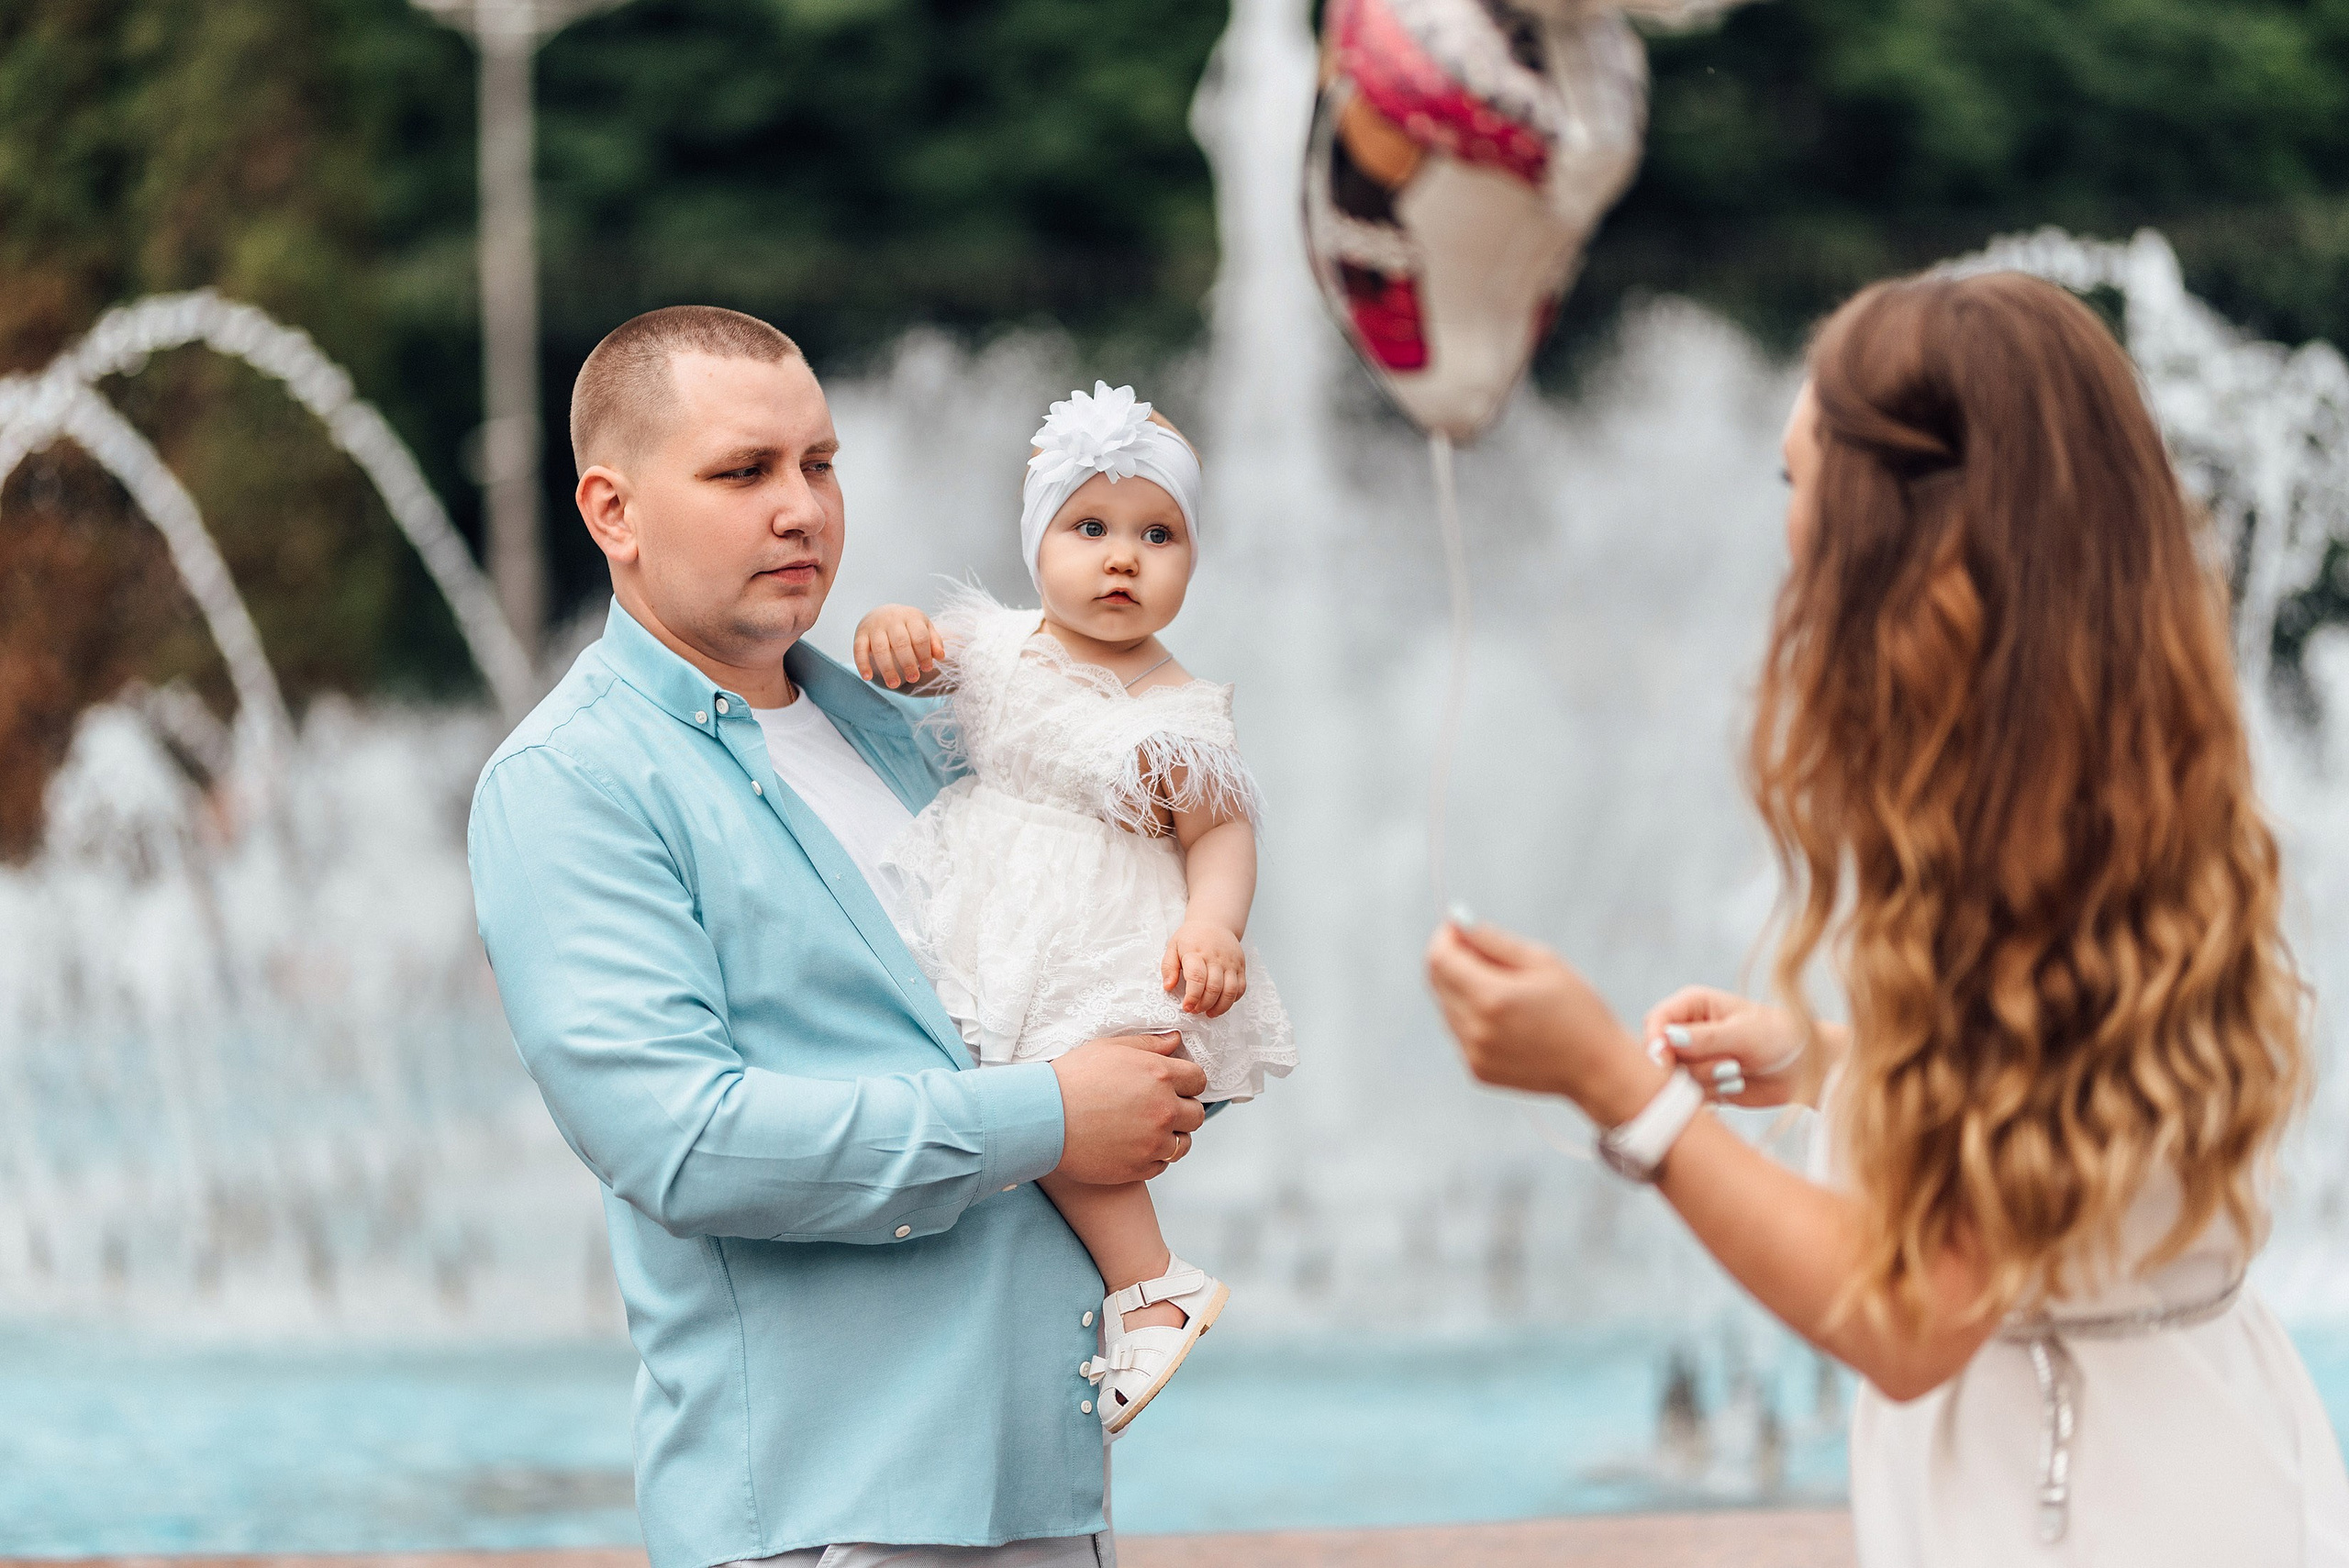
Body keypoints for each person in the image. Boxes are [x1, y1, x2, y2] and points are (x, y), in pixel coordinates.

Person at [1425, 271, 2349, 1565]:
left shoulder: (2028, 839)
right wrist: (1839, 1066)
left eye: (1803, 484)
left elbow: (1914, 1316)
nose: (1791, 529)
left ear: (1905, 537)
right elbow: (2075, 1119)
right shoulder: (2106, 774)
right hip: (2188, 1461)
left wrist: (1616, 1089)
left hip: (2097, 1510)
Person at [468, 307, 1210, 1568]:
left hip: (1043, 1493)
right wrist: (1051, 1115)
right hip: (821, 1522)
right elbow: (686, 1142)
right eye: (743, 472)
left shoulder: (916, 731)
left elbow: (1083, 1002)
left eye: (820, 463)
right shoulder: (571, 782)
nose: (802, 508)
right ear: (613, 511)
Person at [851, 382, 1296, 1436]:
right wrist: (888, 626)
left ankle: (1150, 1281)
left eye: (1158, 533)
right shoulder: (998, 646)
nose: (1122, 557)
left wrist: (1212, 924)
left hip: (1100, 938)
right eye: (1088, 527)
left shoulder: (1182, 710)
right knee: (986, 1098)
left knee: (1065, 1111)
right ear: (1035, 537)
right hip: (989, 903)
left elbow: (1222, 832)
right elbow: (907, 664)